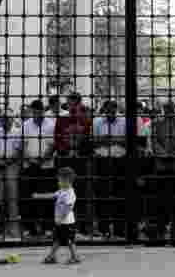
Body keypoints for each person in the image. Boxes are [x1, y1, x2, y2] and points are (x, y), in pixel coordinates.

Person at [148, 99, 175, 240]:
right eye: (166, 109)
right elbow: (154, 141)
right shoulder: (157, 122)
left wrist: (174, 154)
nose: (168, 111)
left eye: (170, 109)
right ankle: (161, 227)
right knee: (162, 198)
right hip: (162, 164)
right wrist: (164, 153)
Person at [53, 92, 90, 235]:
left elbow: (87, 138)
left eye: (75, 104)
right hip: (65, 158)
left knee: (79, 193)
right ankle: (62, 225)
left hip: (79, 159)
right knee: (63, 193)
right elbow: (57, 138)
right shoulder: (61, 119)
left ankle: (80, 226)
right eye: (70, 104)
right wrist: (66, 150)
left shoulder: (85, 120)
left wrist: (79, 150)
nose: (73, 107)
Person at [21, 99, 56, 238]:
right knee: (29, 198)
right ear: (32, 111)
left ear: (43, 110)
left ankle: (47, 227)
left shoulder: (51, 124)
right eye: (34, 110)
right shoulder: (26, 125)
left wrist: (43, 158)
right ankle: (30, 229)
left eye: (39, 110)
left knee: (46, 197)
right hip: (30, 165)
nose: (37, 113)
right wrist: (31, 159)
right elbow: (22, 145)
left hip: (47, 165)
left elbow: (53, 144)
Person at [92, 99, 127, 238]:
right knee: (103, 195)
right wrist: (113, 139)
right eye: (107, 110)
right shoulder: (97, 122)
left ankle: (119, 228)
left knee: (119, 194)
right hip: (102, 161)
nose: (110, 113)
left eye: (112, 110)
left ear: (116, 110)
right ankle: (103, 227)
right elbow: (94, 141)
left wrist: (107, 139)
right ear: (104, 110)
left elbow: (127, 141)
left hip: (119, 161)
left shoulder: (123, 121)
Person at [0, 107, 22, 239]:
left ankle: (13, 229)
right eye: (3, 118)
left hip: (11, 165)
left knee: (12, 197)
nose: (5, 121)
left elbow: (18, 151)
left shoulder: (17, 132)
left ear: (12, 119)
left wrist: (6, 162)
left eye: (8, 118)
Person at [35, 166, 81, 264]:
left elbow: (68, 208)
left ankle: (75, 257)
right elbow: (52, 195)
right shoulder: (62, 191)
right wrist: (39, 195)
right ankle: (51, 257)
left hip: (67, 222)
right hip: (60, 222)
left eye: (59, 180)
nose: (58, 182)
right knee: (56, 240)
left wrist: (61, 218)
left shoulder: (70, 193)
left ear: (67, 181)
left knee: (69, 241)